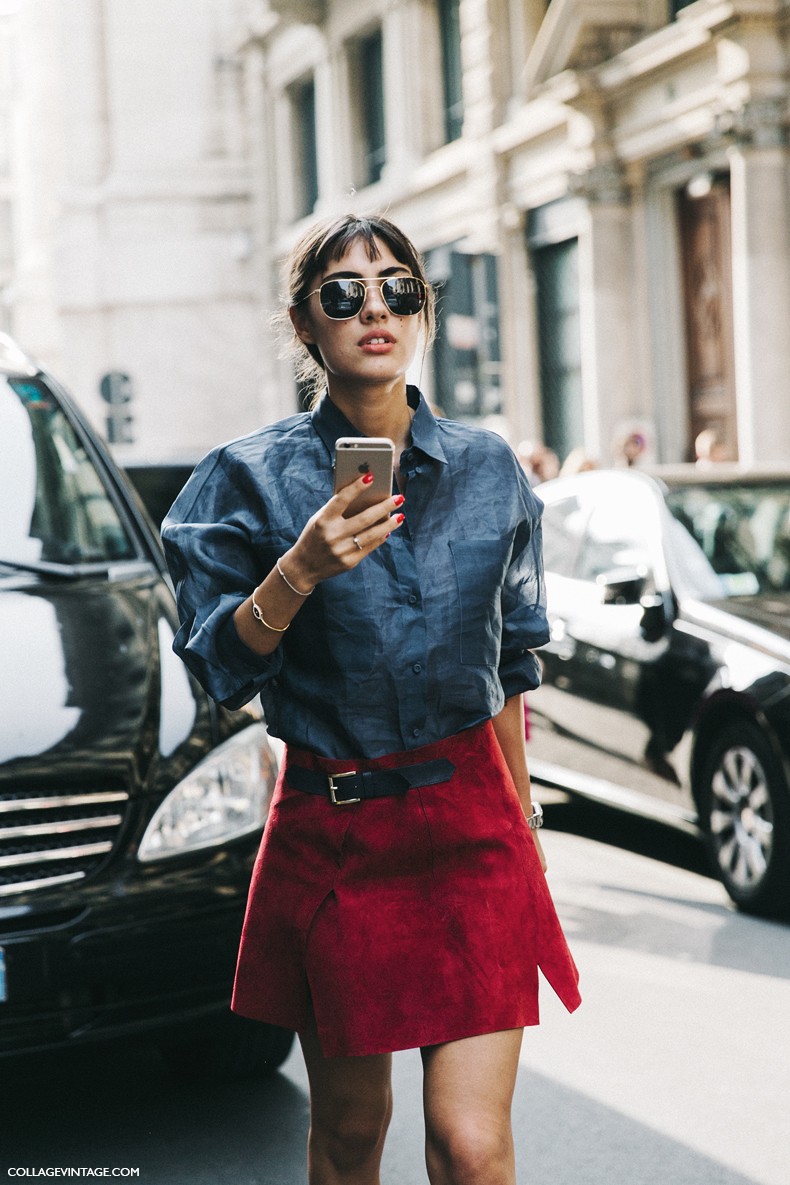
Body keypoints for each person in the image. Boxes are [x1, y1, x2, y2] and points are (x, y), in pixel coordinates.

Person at [162, 213, 580, 1185]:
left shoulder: (485, 468)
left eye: (398, 288)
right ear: (306, 324)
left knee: (470, 1149)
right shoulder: (245, 479)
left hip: (472, 830)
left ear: (423, 311)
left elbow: (510, 665)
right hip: (336, 831)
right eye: (343, 294)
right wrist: (297, 570)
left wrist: (523, 819)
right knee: (351, 1136)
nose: (375, 309)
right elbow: (221, 668)